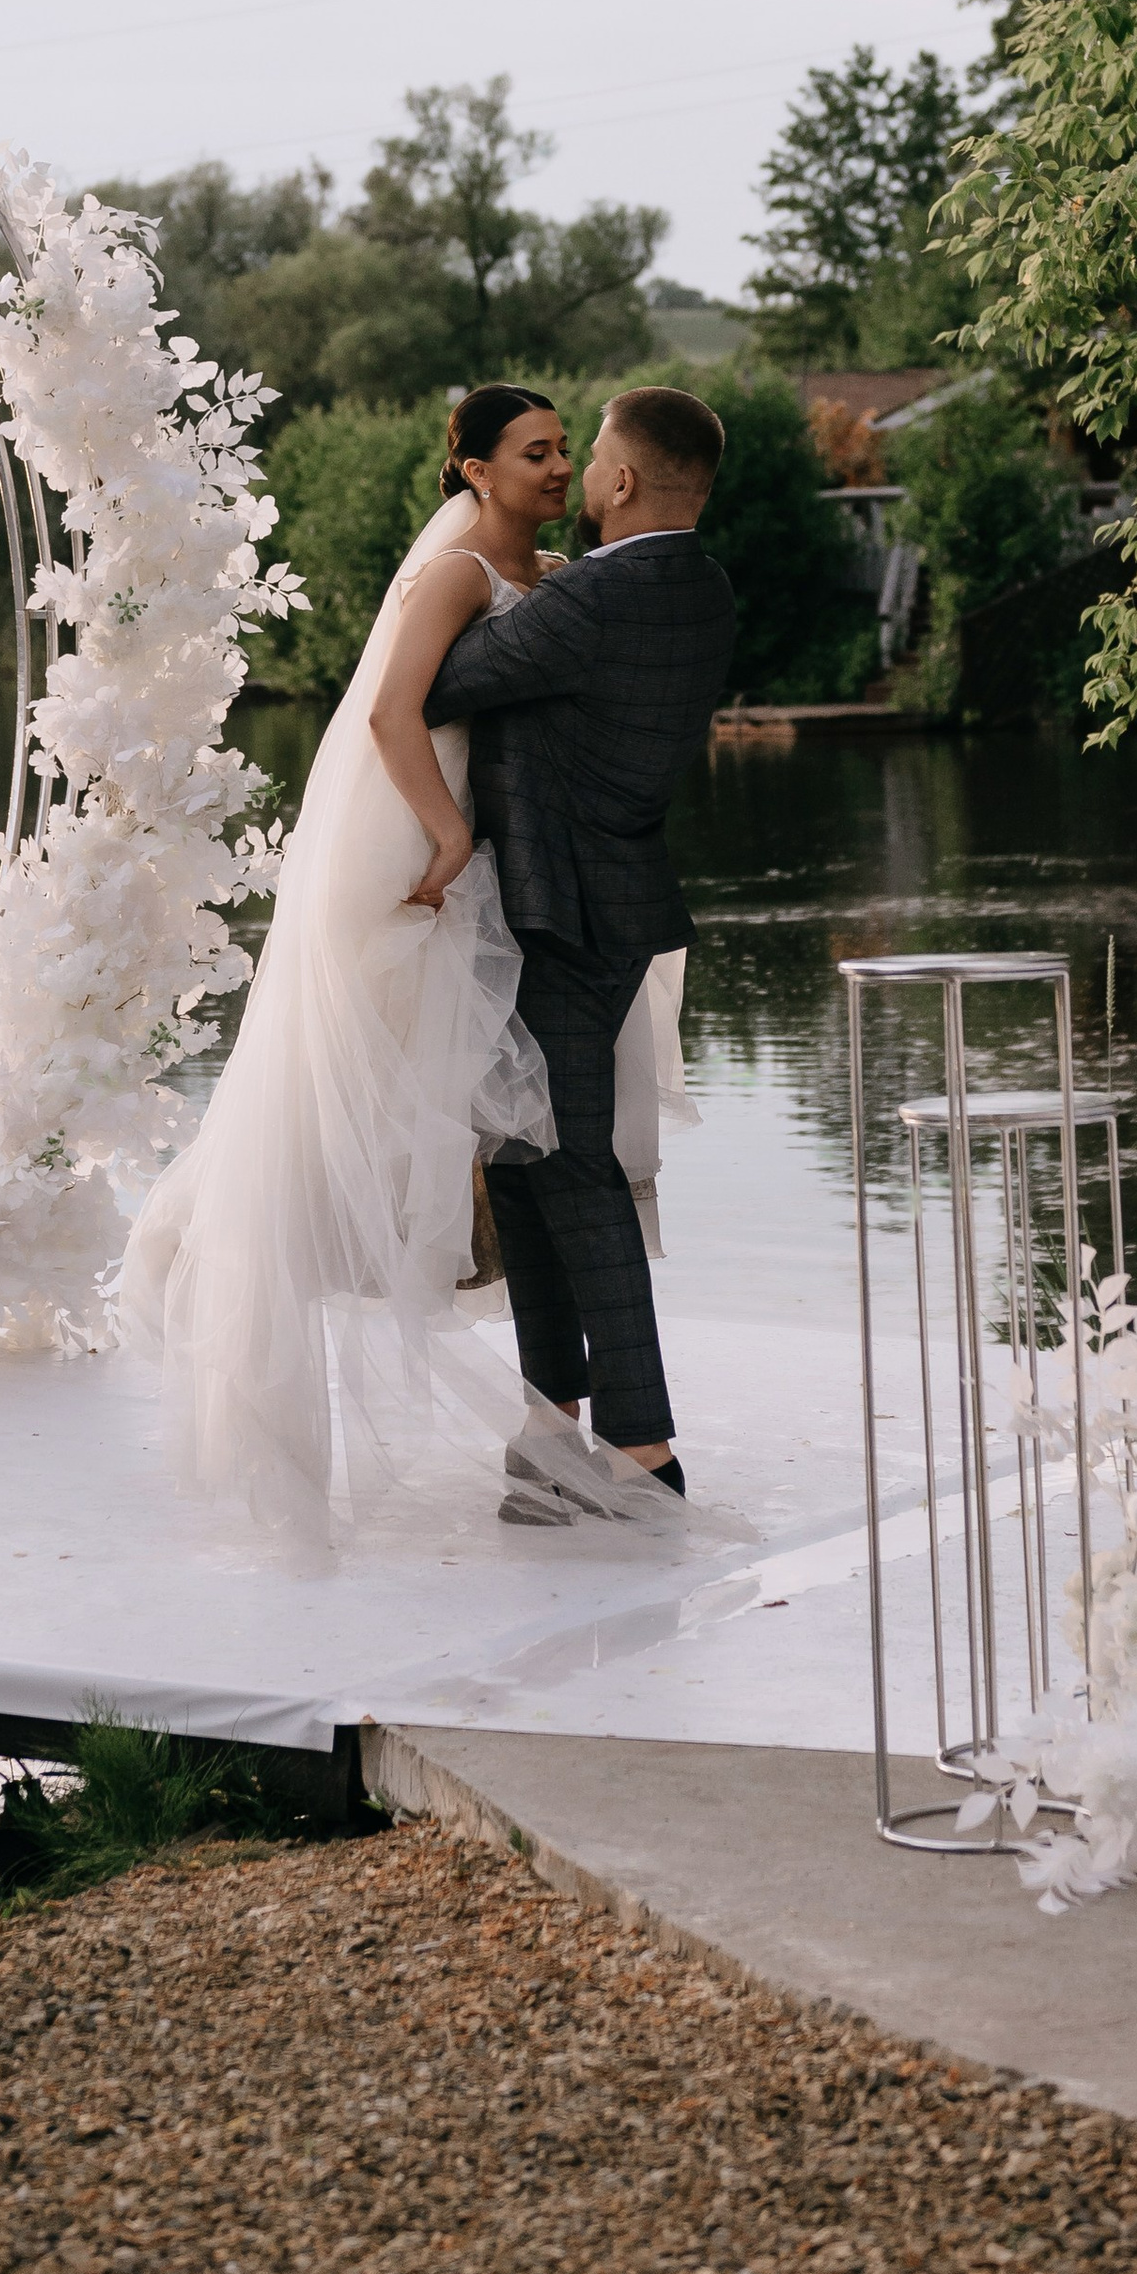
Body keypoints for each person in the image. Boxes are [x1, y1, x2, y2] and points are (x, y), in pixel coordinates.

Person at [120, 383, 673, 1543]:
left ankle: (547, 1423)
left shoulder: (555, 573)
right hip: (429, 855)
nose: (554, 465)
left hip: (511, 875)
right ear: (472, 468)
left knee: (514, 1133)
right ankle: (243, 1260)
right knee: (405, 1110)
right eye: (531, 451)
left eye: (565, 448)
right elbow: (388, 713)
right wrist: (452, 832)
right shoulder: (460, 571)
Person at [423, 387, 734, 1520]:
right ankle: (551, 1422)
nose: (577, 471)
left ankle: (641, 1446)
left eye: (589, 454)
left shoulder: (595, 593)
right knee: (519, 1148)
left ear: (621, 482)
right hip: (603, 902)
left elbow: (443, 683)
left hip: (561, 915)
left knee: (567, 1160)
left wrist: (479, 575)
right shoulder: (701, 586)